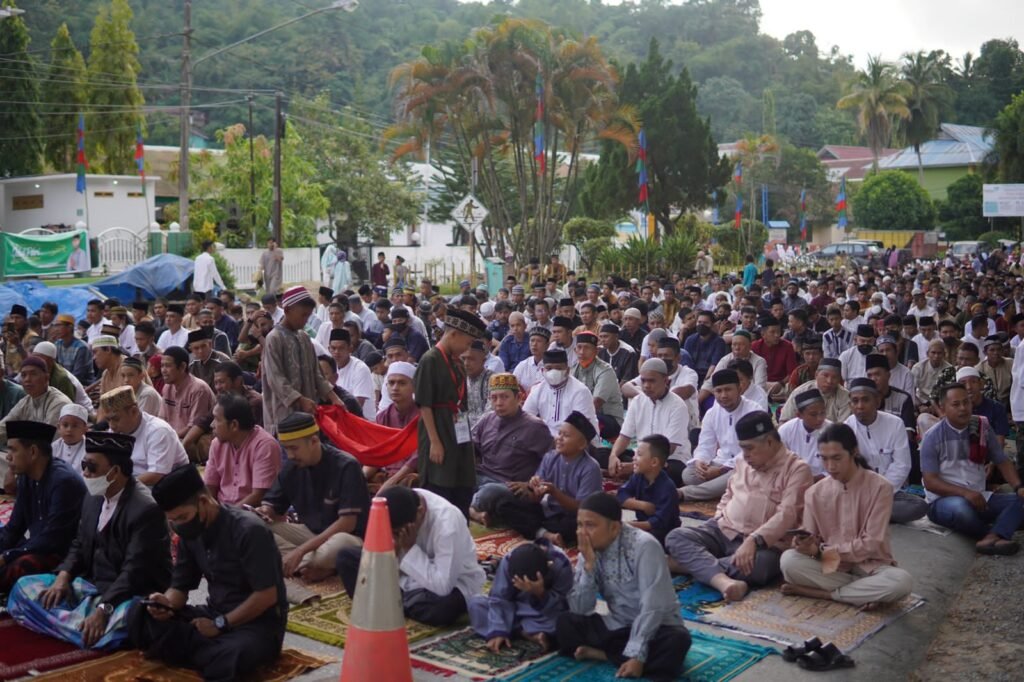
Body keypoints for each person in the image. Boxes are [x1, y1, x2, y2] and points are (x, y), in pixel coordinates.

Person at [8, 432, 171, 649]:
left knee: (132, 619)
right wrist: (63, 577)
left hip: (127, 594)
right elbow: (79, 543)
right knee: (23, 588)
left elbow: (134, 572)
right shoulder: (93, 496)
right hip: (91, 584)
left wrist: (104, 609)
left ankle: (81, 626)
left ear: (115, 471)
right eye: (84, 465)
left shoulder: (145, 509)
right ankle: (82, 629)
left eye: (91, 467)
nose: (84, 472)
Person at [128, 465, 288, 681]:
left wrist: (220, 625)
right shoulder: (190, 531)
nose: (178, 525)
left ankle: (198, 651)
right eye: (173, 520)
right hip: (214, 613)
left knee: (231, 655)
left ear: (204, 501)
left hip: (256, 624)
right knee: (137, 614)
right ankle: (202, 651)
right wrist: (164, 604)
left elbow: (267, 596)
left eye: (182, 517)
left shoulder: (249, 530)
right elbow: (180, 587)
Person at [667, 411, 812, 602]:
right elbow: (729, 493)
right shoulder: (743, 460)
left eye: (749, 448)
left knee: (762, 567)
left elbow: (787, 514)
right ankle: (723, 581)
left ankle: (684, 564)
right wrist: (719, 517)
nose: (745, 455)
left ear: (769, 442)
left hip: (764, 545)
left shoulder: (797, 469)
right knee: (676, 537)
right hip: (725, 530)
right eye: (743, 449)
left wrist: (753, 540)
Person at [557, 493, 691, 681]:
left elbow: (653, 605)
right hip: (618, 625)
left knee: (677, 641)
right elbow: (581, 609)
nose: (582, 532)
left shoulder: (644, 546)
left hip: (657, 627)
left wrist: (638, 655)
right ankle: (619, 656)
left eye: (590, 525)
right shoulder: (588, 551)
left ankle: (606, 655)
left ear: (614, 528)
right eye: (580, 525)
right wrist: (589, 566)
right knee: (565, 622)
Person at [780, 423, 914, 608]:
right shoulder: (814, 492)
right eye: (824, 459)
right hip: (832, 565)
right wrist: (804, 545)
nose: (830, 466)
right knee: (788, 561)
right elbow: (811, 539)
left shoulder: (880, 487)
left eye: (837, 458)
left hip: (872, 566)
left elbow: (871, 543)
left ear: (854, 452)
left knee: (901, 581)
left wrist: (824, 551)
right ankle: (862, 594)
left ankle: (826, 594)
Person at [336, 486, 486, 626]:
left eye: (397, 532)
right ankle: (397, 601)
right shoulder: (402, 501)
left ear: (420, 512)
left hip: (450, 585)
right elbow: (382, 554)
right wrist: (392, 550)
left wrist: (409, 549)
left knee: (442, 608)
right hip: (402, 579)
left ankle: (383, 600)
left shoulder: (447, 523)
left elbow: (443, 585)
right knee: (346, 558)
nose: (394, 536)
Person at [922, 383, 1024, 555]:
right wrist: (965, 493)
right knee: (962, 509)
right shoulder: (932, 436)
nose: (963, 408)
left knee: (1021, 500)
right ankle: (994, 533)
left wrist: (1019, 487)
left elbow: (1001, 460)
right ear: (943, 408)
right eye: (956, 404)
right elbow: (930, 482)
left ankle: (992, 537)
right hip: (945, 501)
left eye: (966, 402)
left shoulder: (981, 426)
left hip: (980, 497)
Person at [486, 411, 603, 547]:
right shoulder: (550, 457)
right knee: (504, 504)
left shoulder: (590, 468)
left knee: (583, 527)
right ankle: (545, 534)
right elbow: (536, 498)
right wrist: (533, 488)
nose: (559, 438)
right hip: (549, 512)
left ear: (582, 444)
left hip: (574, 517)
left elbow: (582, 508)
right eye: (559, 434)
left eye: (566, 436)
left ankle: (537, 530)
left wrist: (554, 492)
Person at [415, 308, 489, 516]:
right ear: (453, 334)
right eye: (466, 343)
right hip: (438, 429)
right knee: (441, 486)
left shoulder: (456, 362)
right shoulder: (430, 360)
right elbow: (424, 404)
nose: (467, 350)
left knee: (462, 486)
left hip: (459, 428)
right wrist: (435, 441)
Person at [0, 421, 87, 592]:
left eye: (13, 449)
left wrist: (7, 556)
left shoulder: (63, 482)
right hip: (34, 543)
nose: (8, 456)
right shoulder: (26, 476)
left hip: (59, 554)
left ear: (32, 452)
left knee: (22, 566)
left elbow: (52, 540)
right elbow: (15, 527)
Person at [468, 373, 553, 525]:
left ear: (519, 398)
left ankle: (469, 510)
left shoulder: (535, 426)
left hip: (507, 484)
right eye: (494, 398)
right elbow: (473, 448)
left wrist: (529, 484)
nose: (499, 403)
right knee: (453, 478)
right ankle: (472, 509)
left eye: (504, 397)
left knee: (490, 493)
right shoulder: (487, 419)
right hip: (482, 475)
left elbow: (552, 461)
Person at [844, 378, 928, 524]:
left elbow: (902, 465)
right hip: (858, 493)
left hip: (888, 492)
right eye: (855, 401)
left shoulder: (895, 424)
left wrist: (880, 491)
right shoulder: (847, 428)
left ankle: (865, 514)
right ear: (850, 404)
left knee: (919, 506)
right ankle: (873, 514)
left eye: (865, 400)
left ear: (877, 401)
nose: (860, 406)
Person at [261, 287, 343, 434]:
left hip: (308, 413)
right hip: (283, 415)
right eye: (303, 315)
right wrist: (299, 400)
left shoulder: (304, 337)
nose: (305, 320)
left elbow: (317, 374)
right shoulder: (274, 338)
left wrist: (334, 397)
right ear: (287, 311)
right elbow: (275, 379)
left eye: (308, 316)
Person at [468, 540, 573, 654]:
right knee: (476, 604)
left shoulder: (561, 564)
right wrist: (498, 630)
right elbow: (499, 598)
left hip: (541, 612)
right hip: (512, 609)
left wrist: (540, 593)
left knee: (563, 624)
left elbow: (562, 604)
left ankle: (518, 630)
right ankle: (526, 633)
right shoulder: (508, 561)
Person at [680, 369, 760, 501]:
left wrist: (722, 470)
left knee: (735, 476)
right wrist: (701, 461)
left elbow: (753, 451)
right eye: (718, 391)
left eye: (728, 390)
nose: (723, 395)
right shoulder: (712, 413)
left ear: (740, 389)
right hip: (720, 463)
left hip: (746, 465)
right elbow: (705, 445)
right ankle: (719, 489)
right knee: (688, 475)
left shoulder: (754, 411)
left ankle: (685, 494)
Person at [608, 358, 689, 484]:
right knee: (602, 453)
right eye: (643, 380)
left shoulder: (678, 405)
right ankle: (634, 472)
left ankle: (634, 473)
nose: (646, 385)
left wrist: (638, 465)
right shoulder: (638, 401)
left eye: (651, 381)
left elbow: (669, 449)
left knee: (670, 473)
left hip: (668, 460)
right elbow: (624, 436)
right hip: (640, 456)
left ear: (666, 381)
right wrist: (613, 456)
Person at [101, 386, 189, 486]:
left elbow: (156, 475)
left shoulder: (158, 431)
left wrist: (119, 486)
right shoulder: (114, 432)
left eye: (116, 419)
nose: (112, 426)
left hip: (166, 487)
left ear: (133, 411)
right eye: (108, 420)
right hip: (134, 484)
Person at [204, 394, 280, 507]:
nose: (212, 425)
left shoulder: (265, 446)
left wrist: (229, 517)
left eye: (217, 419)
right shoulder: (217, 444)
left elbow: (258, 496)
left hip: (254, 517)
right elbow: (210, 486)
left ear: (234, 425)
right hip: (224, 512)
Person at [616, 435, 681, 546]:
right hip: (643, 525)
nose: (634, 458)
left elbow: (657, 522)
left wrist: (628, 526)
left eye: (639, 455)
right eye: (635, 453)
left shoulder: (667, 488)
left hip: (663, 531)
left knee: (643, 541)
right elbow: (621, 495)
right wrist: (642, 505)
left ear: (654, 462)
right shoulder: (638, 476)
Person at [522, 348, 599, 438]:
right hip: (548, 442)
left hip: (578, 441)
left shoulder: (580, 391)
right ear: (543, 371)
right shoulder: (537, 390)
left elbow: (581, 428)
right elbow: (525, 418)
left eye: (558, 368)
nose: (553, 372)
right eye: (549, 368)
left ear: (567, 370)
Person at [159, 346, 216, 463]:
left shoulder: (198, 389)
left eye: (168, 366)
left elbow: (194, 427)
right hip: (173, 437)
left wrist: (169, 437)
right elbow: (162, 419)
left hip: (192, 441)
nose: (163, 370)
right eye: (162, 365)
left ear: (183, 367)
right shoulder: (167, 387)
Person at [0, 356, 72, 447]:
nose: (27, 379)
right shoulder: (26, 401)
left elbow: (47, 440)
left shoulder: (59, 402)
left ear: (46, 378)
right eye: (23, 375)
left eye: (33, 374)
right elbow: (4, 427)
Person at [572, 331, 623, 440]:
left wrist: (570, 419)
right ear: (575, 350)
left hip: (607, 418)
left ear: (596, 351)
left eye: (586, 348)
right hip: (580, 414)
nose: (581, 352)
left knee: (584, 424)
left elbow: (596, 404)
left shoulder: (605, 370)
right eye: (579, 347)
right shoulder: (573, 369)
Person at [778, 388, 830, 480]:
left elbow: (839, 466)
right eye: (813, 414)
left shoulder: (832, 431)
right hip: (791, 481)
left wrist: (813, 479)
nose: (820, 418)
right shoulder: (786, 430)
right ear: (799, 415)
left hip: (824, 484)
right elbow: (778, 462)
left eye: (822, 413)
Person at [779, 357, 850, 424]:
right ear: (816, 375)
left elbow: (843, 429)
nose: (829, 381)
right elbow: (785, 421)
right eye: (825, 375)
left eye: (834, 377)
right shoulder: (801, 391)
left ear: (839, 379)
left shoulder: (845, 397)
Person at [53, 313, 94, 385]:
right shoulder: (57, 344)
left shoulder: (81, 347)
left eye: (59, 326)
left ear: (69, 327)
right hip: (64, 383)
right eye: (55, 326)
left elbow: (78, 376)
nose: (56, 329)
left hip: (81, 385)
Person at [52, 403, 90, 472]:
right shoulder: (53, 447)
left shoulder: (89, 449)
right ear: (58, 427)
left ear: (85, 429)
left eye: (75, 426)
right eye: (65, 425)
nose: (69, 429)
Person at [513, 326, 550, 391]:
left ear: (547, 345)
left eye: (539, 341)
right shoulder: (523, 365)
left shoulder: (552, 366)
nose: (534, 344)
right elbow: (513, 386)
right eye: (532, 340)